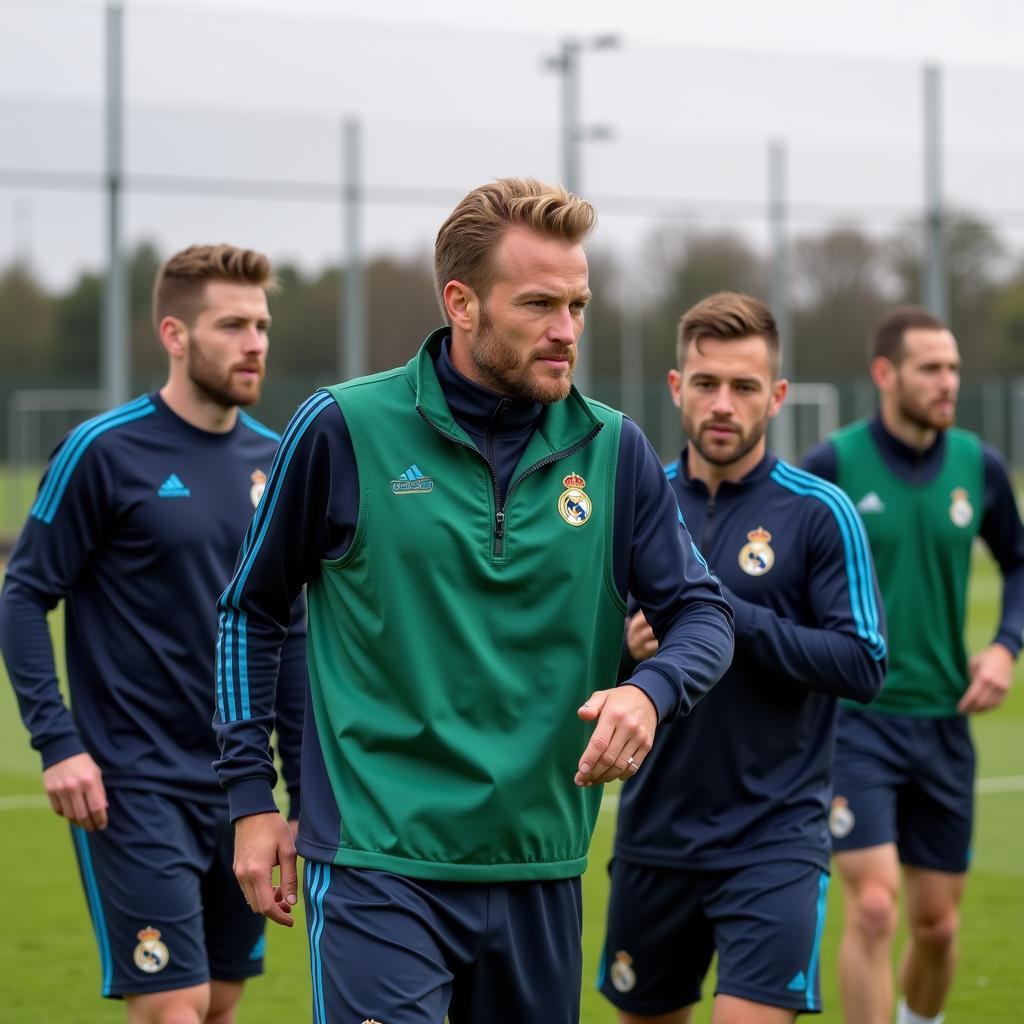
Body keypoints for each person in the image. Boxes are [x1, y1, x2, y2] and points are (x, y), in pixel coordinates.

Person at [212, 177, 735, 1024]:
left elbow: (704, 617)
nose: (566, 331)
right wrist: (249, 800)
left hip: (540, 866)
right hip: (379, 860)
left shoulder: (613, 450)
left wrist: (650, 691)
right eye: (538, 304)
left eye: (578, 304)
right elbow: (251, 609)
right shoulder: (343, 427)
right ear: (461, 302)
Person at [0, 244, 306, 1024]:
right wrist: (57, 742)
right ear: (175, 334)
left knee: (222, 1001)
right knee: (174, 1006)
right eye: (232, 324)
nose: (255, 343)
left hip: (241, 791)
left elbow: (295, 636)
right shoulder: (103, 451)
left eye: (262, 324)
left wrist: (300, 790)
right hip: (132, 785)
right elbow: (25, 593)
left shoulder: (277, 462)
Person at [599, 291, 887, 1024]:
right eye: (705, 384)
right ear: (676, 388)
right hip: (653, 836)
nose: (722, 404)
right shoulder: (633, 502)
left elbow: (862, 662)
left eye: (744, 386)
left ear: (778, 396)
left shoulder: (820, 512)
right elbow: (570, 663)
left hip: (773, 839)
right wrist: (626, 654)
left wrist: (717, 616)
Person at [802, 306, 1024, 1024]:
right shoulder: (834, 465)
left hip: (945, 723)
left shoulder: (978, 467)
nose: (948, 381)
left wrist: (1004, 645)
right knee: (871, 907)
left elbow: (1019, 564)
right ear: (884, 374)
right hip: (857, 722)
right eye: (931, 367)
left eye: (954, 367)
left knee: (938, 927)